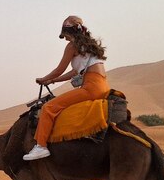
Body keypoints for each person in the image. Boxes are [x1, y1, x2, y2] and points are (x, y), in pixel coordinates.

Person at [23, 16, 110, 160]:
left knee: (48, 108)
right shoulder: (88, 47)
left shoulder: (72, 46)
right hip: (103, 86)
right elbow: (74, 72)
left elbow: (60, 69)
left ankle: (41, 146)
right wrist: (52, 81)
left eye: (65, 35)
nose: (65, 39)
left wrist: (43, 79)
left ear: (69, 32)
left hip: (91, 87)